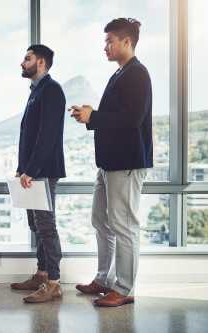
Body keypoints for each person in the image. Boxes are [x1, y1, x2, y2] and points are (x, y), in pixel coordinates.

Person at [69, 18, 152, 307]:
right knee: (101, 220)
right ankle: (105, 279)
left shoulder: (138, 74)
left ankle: (124, 288)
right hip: (109, 164)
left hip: (125, 163)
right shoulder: (120, 74)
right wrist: (91, 117)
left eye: (109, 41)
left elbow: (132, 120)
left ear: (126, 42)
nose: (105, 47)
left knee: (124, 225)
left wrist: (93, 116)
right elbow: (116, 117)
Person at [9, 45, 66, 303]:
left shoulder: (52, 90)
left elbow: (47, 135)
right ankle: (42, 274)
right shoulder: (37, 92)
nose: (22, 62)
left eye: (27, 58)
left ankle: (54, 282)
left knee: (45, 225)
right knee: (36, 224)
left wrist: (31, 169)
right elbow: (30, 136)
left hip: (42, 171)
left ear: (41, 62)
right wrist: (23, 168)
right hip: (32, 171)